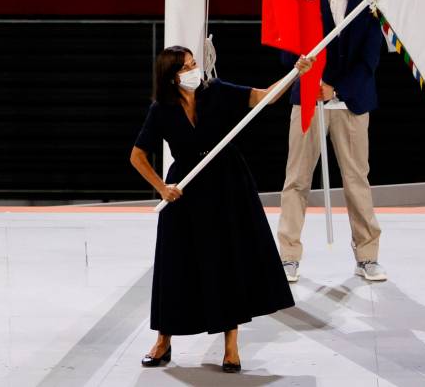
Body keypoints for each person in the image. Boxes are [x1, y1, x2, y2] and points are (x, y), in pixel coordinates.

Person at [130, 45, 313, 372]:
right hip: (185, 190)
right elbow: (137, 155)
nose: (194, 70)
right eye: (186, 66)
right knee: (175, 265)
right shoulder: (161, 110)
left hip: (227, 183)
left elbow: (264, 97)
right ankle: (163, 340)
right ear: (172, 77)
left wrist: (296, 72)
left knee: (228, 261)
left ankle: (231, 346)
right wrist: (162, 187)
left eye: (194, 63)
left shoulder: (217, 92)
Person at [278, 0, 387, 283]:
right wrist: (310, 79)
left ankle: (367, 257)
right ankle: (288, 256)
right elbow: (287, 51)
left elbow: (371, 58)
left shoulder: (370, 2)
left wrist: (335, 88)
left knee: (357, 180)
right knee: (296, 180)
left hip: (352, 102)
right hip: (308, 99)